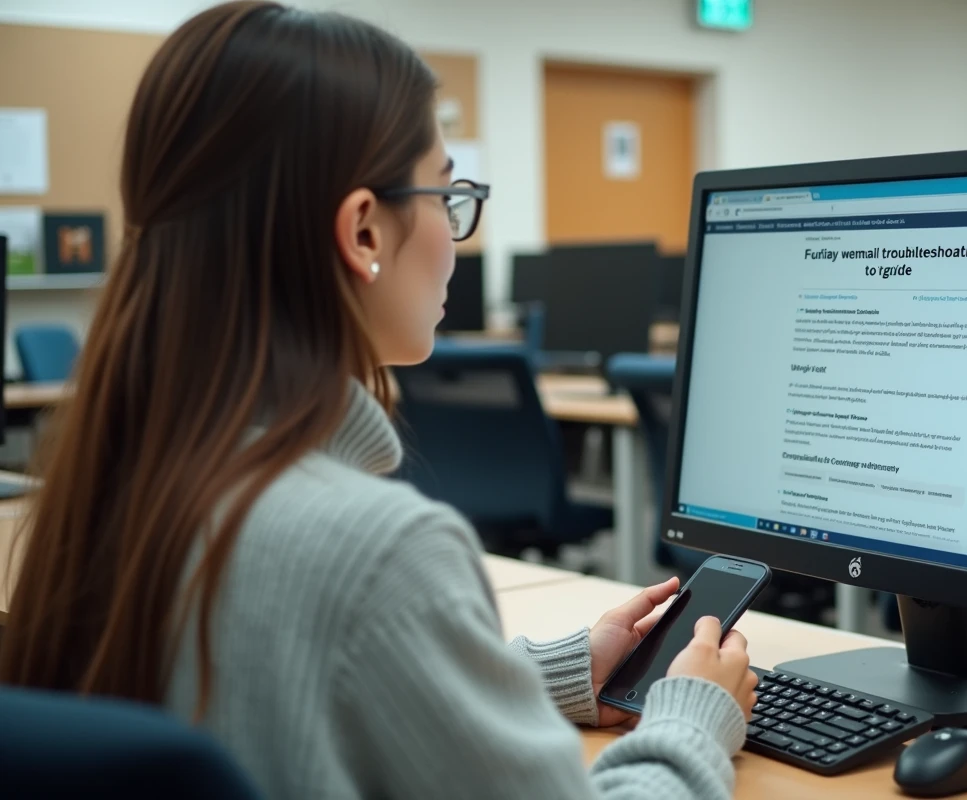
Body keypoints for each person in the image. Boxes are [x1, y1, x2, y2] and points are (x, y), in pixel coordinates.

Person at [0, 3, 758, 797]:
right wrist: (690, 720)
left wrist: (549, 674)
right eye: (445, 193)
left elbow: (295, 686)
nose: (456, 228)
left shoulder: (118, 477)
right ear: (364, 232)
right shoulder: (379, 553)